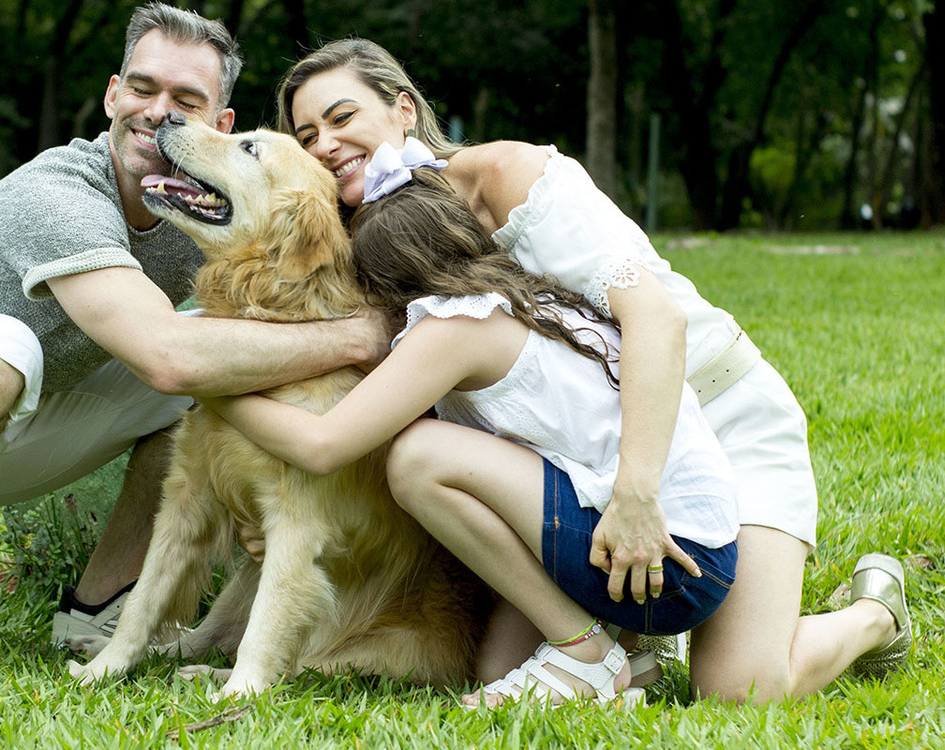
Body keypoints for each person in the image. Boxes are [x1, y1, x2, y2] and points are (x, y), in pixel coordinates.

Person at [273, 38, 912, 702]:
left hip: (716, 417)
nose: (325, 143)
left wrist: (638, 495)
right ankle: (625, 643)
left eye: (342, 118)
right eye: (307, 133)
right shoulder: (368, 237)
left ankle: (875, 613)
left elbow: (655, 321)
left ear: (404, 109)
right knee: (500, 669)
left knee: (740, 687)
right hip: (576, 460)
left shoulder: (513, 177)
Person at [0, 5, 385, 669]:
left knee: (216, 356)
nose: (158, 112)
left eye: (185, 100)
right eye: (143, 88)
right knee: (22, 350)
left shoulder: (190, 201)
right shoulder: (60, 194)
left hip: (19, 417)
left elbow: (272, 287)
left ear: (220, 124)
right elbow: (166, 358)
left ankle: (101, 603)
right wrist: (359, 339)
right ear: (113, 93)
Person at [201, 152, 740, 708]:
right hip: (685, 548)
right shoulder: (521, 300)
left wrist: (213, 388)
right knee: (497, 668)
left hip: (660, 554)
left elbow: (323, 445)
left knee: (417, 459)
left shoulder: (455, 327)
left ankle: (586, 653)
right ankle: (630, 652)